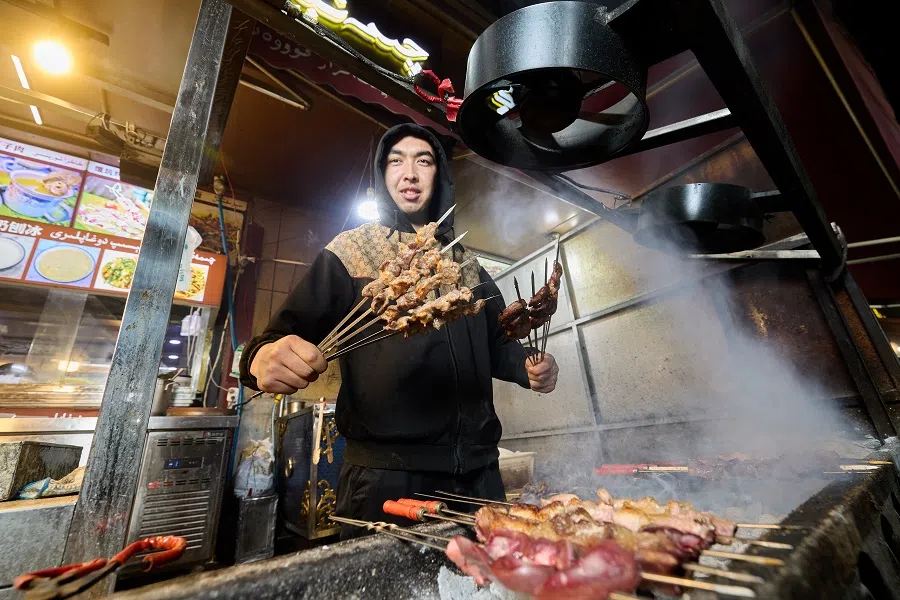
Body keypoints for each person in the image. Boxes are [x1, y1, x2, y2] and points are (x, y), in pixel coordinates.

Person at [239, 123, 559, 539]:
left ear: (439, 176)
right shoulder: (350, 251)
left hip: (479, 474)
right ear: (382, 175)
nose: (409, 173)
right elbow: (277, 336)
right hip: (387, 478)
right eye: (396, 161)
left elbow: (497, 342)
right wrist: (260, 358)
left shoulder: (468, 265)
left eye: (423, 161)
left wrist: (527, 367)